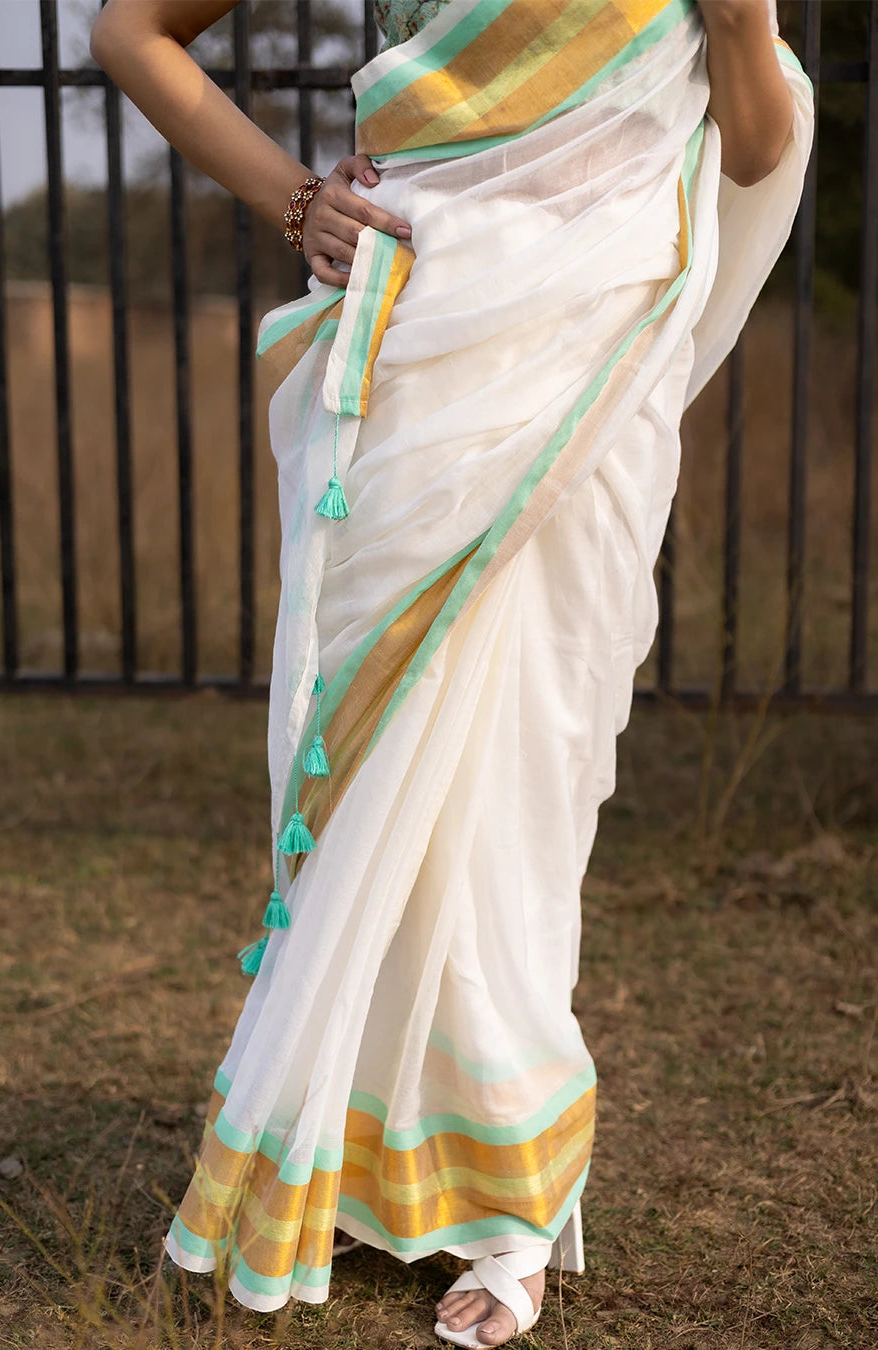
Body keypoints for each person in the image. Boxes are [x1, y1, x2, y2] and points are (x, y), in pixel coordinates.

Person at [89, 2, 813, 1345]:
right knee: (371, 772)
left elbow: (760, 146)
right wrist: (294, 198)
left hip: (591, 357)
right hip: (420, 357)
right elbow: (132, 30)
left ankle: (505, 1206)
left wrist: (743, 23)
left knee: (522, 792)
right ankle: (356, 1156)